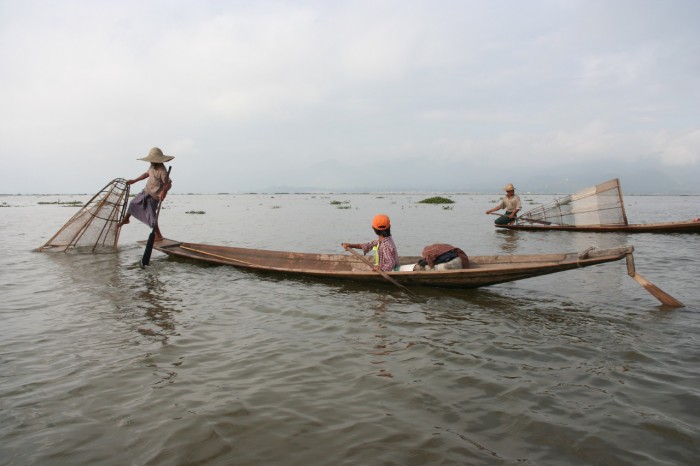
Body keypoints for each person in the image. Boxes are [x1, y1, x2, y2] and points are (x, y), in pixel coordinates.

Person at [118, 147, 173, 241]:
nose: (151, 162)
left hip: (154, 197)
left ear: (158, 160)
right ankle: (126, 219)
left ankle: (158, 236)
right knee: (133, 203)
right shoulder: (152, 166)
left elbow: (168, 184)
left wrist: (163, 192)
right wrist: (134, 180)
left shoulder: (162, 170)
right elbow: (147, 174)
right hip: (146, 191)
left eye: (153, 160)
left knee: (152, 217)